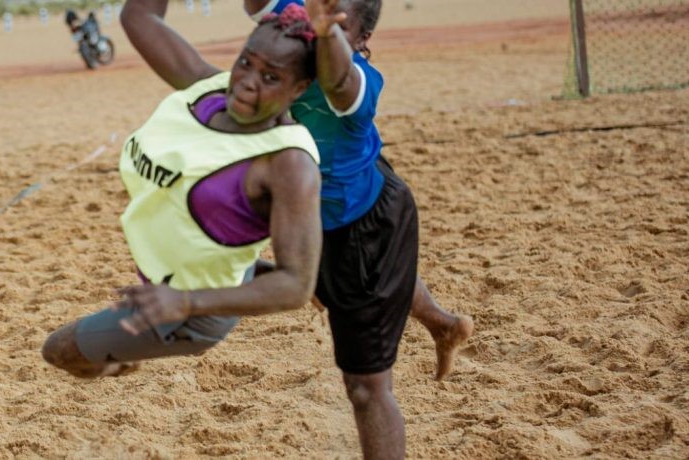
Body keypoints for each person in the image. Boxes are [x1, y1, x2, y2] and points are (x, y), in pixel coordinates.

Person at [42, 2, 323, 380]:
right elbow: (139, 17)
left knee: (60, 351)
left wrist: (185, 301)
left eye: (271, 77)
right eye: (245, 62)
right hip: (198, 265)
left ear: (299, 88)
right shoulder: (207, 88)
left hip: (191, 309)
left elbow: (296, 286)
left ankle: (122, 359)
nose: (247, 81)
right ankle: (250, 271)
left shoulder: (288, 163)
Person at [243, 0, 474, 458]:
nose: (319, 29)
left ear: (362, 39)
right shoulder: (299, 18)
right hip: (324, 209)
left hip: (358, 227)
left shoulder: (360, 81)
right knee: (354, 284)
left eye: (338, 26)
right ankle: (444, 324)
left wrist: (324, 31)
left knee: (366, 388)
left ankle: (314, 283)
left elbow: (337, 83)